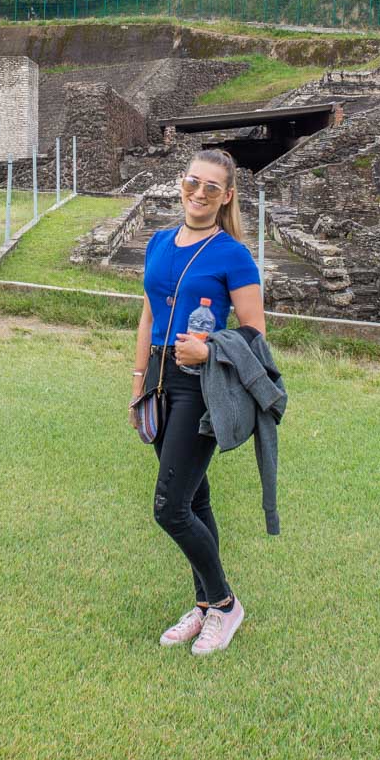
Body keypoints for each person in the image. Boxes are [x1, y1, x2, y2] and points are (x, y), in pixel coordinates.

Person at [130, 148, 265, 655]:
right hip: (161, 379)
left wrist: (208, 348)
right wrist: (140, 379)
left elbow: (254, 333)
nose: (199, 193)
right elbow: (146, 317)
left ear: (226, 196)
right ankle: (205, 605)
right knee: (194, 500)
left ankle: (226, 605)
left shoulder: (233, 254)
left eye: (212, 187)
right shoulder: (159, 243)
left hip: (200, 385)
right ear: (180, 184)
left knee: (169, 508)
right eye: (193, 182)